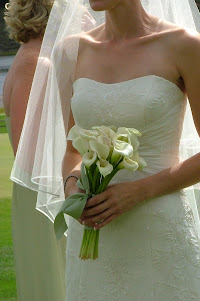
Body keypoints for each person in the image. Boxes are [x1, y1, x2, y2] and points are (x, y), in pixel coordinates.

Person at [10, 0, 200, 299]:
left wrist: (138, 191)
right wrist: (72, 187)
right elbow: (73, 149)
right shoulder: (71, 51)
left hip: (159, 226)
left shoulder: (184, 45)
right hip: (95, 231)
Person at [3, 1, 66, 299]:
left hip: (49, 191)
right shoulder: (35, 63)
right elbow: (28, 152)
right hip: (45, 195)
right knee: (54, 281)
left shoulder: (38, 58)